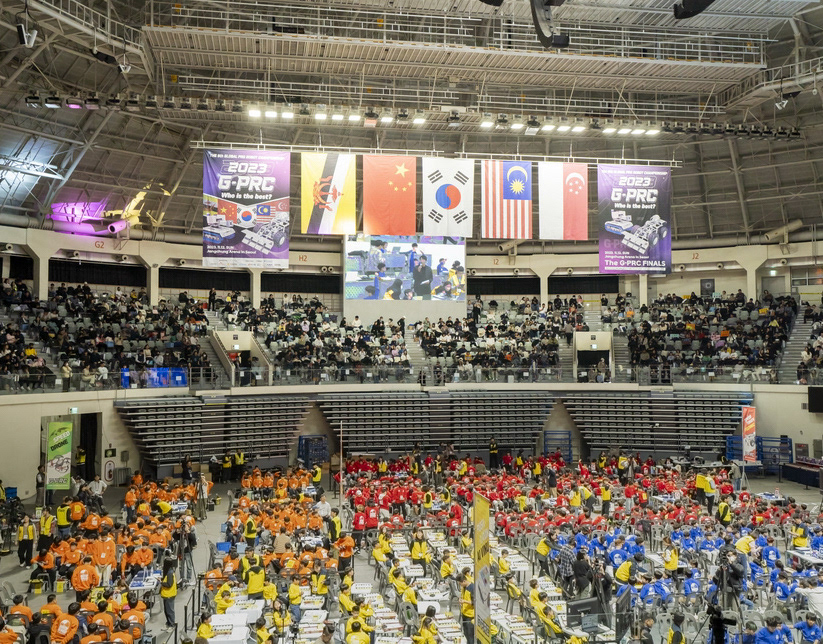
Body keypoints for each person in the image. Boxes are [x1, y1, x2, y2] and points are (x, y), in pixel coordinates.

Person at [160, 558, 177, 631]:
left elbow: (169, 584)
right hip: (166, 594)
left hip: (169, 595)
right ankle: (168, 623)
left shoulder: (170, 573)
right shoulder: (168, 571)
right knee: (166, 610)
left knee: (170, 611)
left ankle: (172, 625)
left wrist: (161, 582)